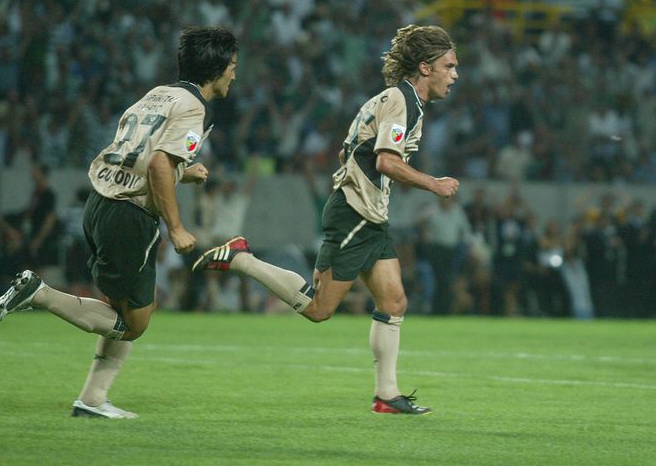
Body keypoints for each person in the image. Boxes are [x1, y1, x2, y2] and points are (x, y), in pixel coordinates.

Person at [192, 24, 459, 415]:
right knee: (319, 308)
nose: (454, 75)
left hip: (368, 214)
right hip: (355, 213)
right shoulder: (402, 100)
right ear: (425, 67)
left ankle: (386, 395)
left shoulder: (395, 100)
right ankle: (242, 259)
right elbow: (386, 161)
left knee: (394, 300)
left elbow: (354, 153)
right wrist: (433, 184)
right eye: (449, 66)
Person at [0, 26, 239, 418]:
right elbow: (158, 163)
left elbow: (139, 155)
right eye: (232, 66)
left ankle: (92, 399)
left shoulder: (156, 95)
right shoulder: (193, 107)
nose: (234, 75)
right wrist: (176, 227)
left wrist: (183, 172)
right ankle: (39, 293)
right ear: (216, 68)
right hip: (129, 215)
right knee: (134, 323)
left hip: (101, 203)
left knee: (119, 311)